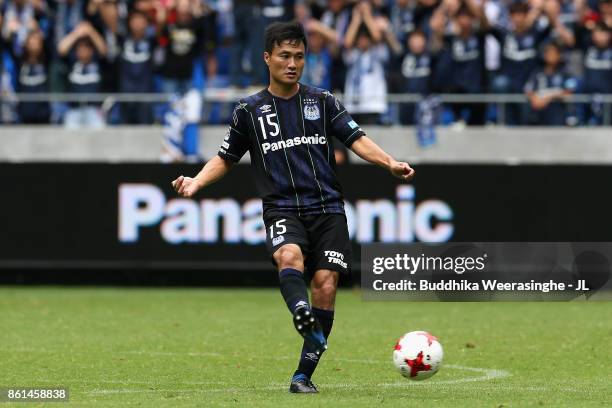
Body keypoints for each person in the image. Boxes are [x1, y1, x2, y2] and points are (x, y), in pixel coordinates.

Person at [171, 21, 415, 393]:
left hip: (327, 207)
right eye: (284, 56)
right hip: (282, 206)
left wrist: (391, 163)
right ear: (267, 58)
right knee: (289, 257)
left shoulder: (322, 101)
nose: (292, 63)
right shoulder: (248, 111)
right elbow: (225, 158)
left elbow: (356, 138)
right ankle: (301, 312)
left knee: (326, 283)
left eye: (299, 56)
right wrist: (197, 181)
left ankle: (303, 375)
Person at [524, 42, 577, 125]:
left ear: (559, 55)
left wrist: (548, 98)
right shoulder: (537, 72)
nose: (550, 55)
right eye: (548, 53)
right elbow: (528, 90)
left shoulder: (565, 73)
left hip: (558, 113)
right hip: (539, 114)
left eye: (553, 53)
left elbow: (569, 92)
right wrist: (534, 99)